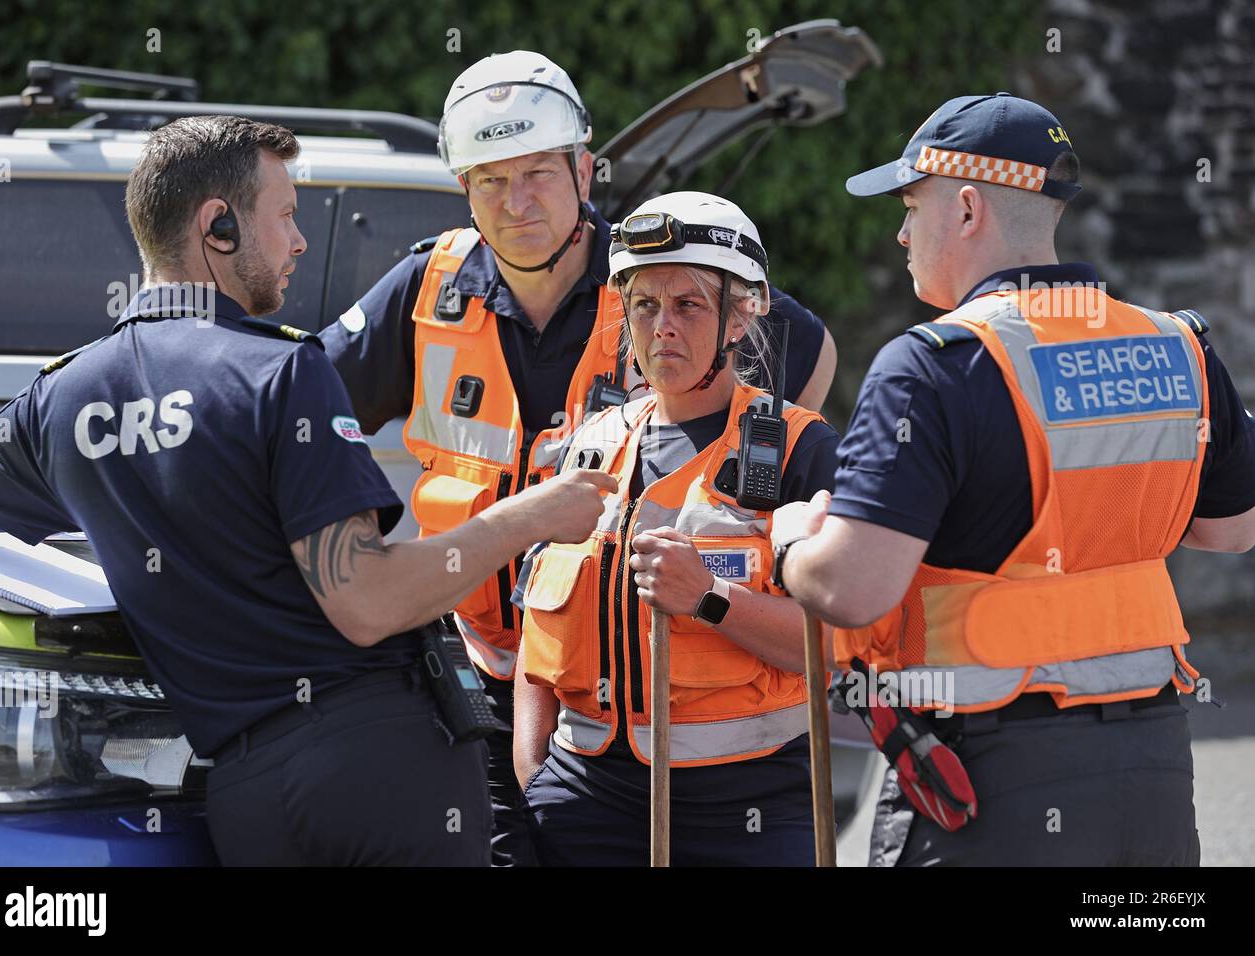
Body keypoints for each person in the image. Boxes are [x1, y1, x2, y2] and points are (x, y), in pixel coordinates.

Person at [0, 115, 614, 866]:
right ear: (219, 226)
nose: (300, 241)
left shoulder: (62, 400)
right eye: (286, 216)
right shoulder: (278, 372)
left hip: (245, 798)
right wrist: (530, 515)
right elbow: (367, 603)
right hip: (377, 767)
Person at [318, 51, 839, 867]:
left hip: (642, 714)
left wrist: (739, 475)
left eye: (536, 173)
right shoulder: (426, 289)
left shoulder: (652, 271)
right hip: (479, 673)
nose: (516, 202)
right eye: (490, 180)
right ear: (465, 189)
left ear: (583, 170)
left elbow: (802, 357)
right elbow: (296, 421)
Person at [770, 92, 1255, 866]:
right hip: (1152, 774)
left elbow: (853, 590)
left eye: (910, 204)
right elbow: (1231, 529)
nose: (900, 232)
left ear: (966, 210)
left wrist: (791, 543)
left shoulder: (932, 366)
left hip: (989, 783)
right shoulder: (1178, 346)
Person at [510, 191, 840, 866]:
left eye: (688, 305)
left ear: (740, 317)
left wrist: (709, 598)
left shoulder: (804, 452)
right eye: (645, 305)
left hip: (747, 803)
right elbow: (536, 653)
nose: (662, 326)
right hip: (583, 794)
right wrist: (533, 777)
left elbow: (838, 648)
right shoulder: (589, 446)